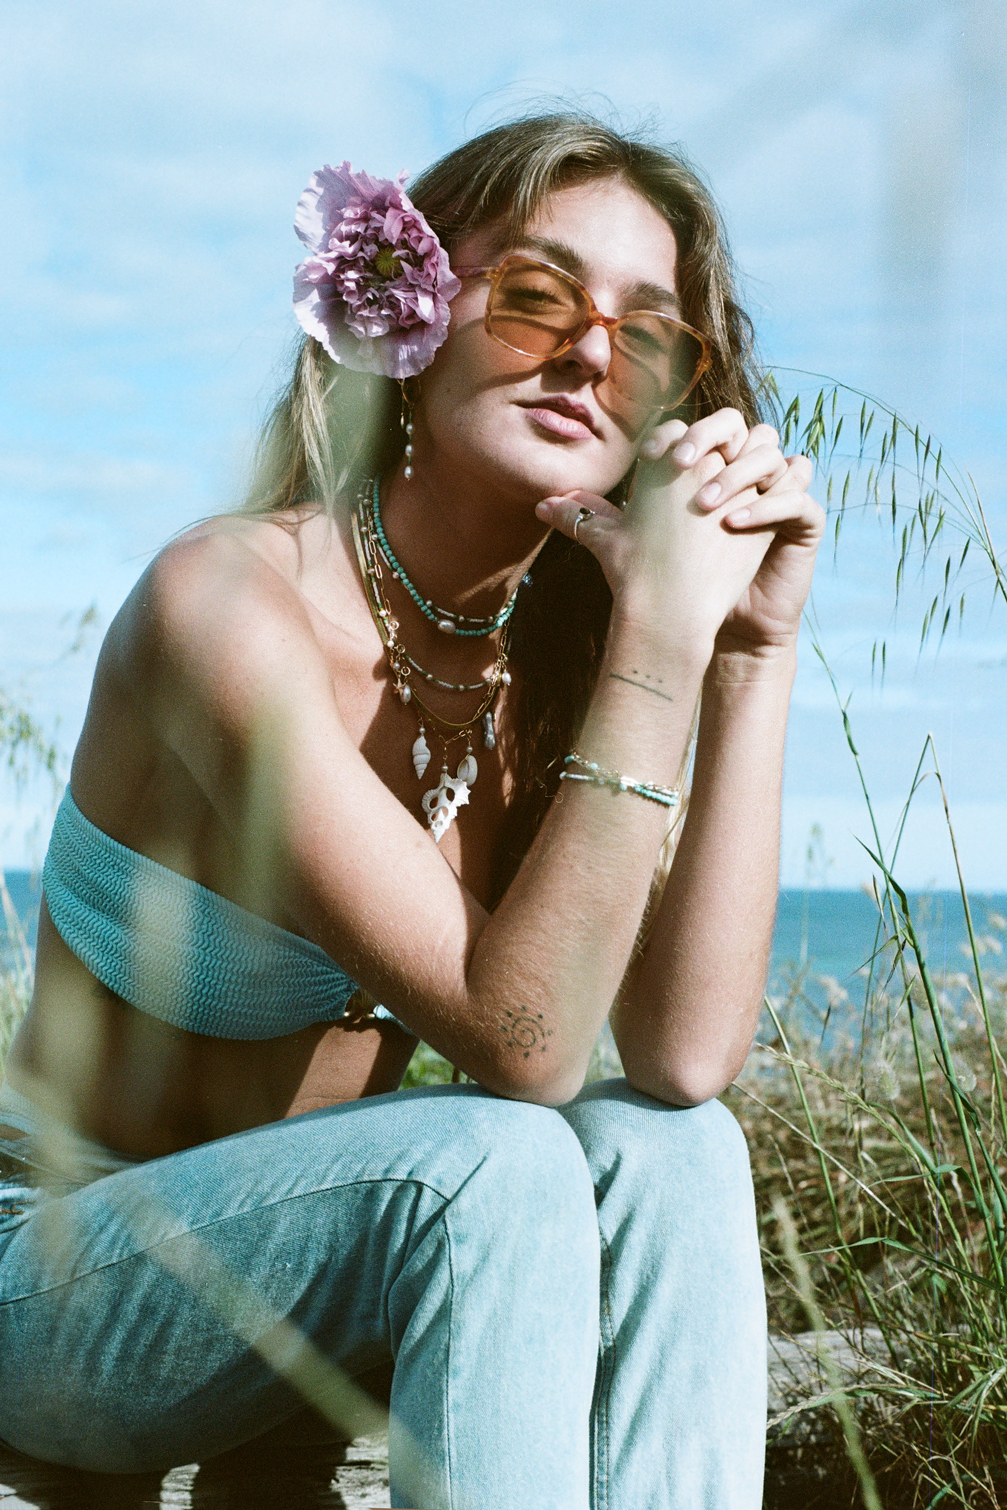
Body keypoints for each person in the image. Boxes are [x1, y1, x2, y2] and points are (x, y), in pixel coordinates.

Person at [0, 112, 824, 1508]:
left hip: (330, 1301)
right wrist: (658, 649)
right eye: (539, 297)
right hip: (66, 1292)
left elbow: (682, 1056)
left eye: (650, 331)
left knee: (680, 1149)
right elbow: (527, 1044)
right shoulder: (228, 603)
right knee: (492, 1159)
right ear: (412, 316)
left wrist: (749, 653)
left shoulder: (553, 665)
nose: (591, 355)